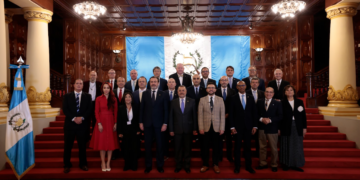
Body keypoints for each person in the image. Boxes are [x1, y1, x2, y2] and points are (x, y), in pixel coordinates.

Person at [140, 77, 169, 173]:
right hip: (147, 124)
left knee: (160, 146)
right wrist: (140, 122)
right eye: (151, 82)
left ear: (158, 83)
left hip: (159, 125)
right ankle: (148, 166)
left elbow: (166, 110)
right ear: (149, 83)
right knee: (147, 146)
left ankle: (160, 165)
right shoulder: (145, 93)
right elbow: (141, 109)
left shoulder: (164, 94)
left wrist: (165, 123)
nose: (153, 83)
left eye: (155, 82)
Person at [62, 79, 92, 173]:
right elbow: (65, 109)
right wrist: (74, 118)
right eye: (77, 83)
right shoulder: (67, 96)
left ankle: (83, 164)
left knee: (82, 146)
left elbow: (89, 109)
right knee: (68, 146)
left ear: (83, 86)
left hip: (82, 125)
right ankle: (67, 165)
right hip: (70, 125)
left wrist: (82, 118)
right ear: (74, 85)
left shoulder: (88, 96)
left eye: (80, 84)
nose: (79, 85)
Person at [229, 81, 258, 174]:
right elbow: (231, 114)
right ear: (237, 87)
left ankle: (248, 166)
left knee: (248, 147)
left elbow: (254, 112)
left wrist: (255, 126)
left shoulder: (250, 97)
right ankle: (237, 166)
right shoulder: (233, 98)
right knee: (237, 148)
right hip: (237, 128)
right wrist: (232, 127)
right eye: (239, 85)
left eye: (243, 85)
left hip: (249, 127)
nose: (241, 87)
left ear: (246, 86)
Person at [89, 83, 119, 172]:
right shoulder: (98, 98)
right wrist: (99, 123)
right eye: (104, 88)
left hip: (111, 122)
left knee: (110, 144)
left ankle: (108, 163)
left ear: (110, 89)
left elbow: (116, 112)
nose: (106, 89)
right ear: (102, 89)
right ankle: (102, 162)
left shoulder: (114, 99)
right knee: (102, 144)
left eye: (108, 88)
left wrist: (115, 123)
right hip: (101, 122)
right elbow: (96, 112)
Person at [169, 86, 197, 174]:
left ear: (186, 91)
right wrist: (171, 129)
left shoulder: (192, 101)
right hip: (177, 130)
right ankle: (178, 166)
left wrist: (195, 128)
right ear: (177, 92)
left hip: (188, 130)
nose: (181, 92)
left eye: (183, 90)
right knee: (177, 149)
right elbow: (170, 117)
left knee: (188, 149)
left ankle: (187, 166)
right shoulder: (173, 102)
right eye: (180, 90)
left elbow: (194, 117)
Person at [198, 83, 225, 174]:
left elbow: (222, 115)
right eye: (209, 87)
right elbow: (200, 115)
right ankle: (205, 164)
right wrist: (200, 127)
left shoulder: (220, 100)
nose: (211, 89)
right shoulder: (202, 100)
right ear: (206, 89)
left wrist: (222, 128)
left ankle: (215, 164)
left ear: (215, 89)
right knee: (205, 147)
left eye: (212, 88)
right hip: (205, 128)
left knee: (216, 147)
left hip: (217, 128)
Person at [280, 85, 307, 172]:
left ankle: (296, 164)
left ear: (294, 92)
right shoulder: (282, 102)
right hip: (285, 126)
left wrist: (304, 127)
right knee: (286, 145)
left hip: (297, 126)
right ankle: (287, 164)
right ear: (285, 92)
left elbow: (303, 116)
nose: (289, 92)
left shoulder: (299, 102)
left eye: (291, 90)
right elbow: (280, 117)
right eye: (287, 90)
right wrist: (279, 128)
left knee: (297, 146)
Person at [256, 87, 283, 172]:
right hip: (261, 127)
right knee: (262, 147)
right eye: (267, 92)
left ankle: (274, 164)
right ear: (264, 93)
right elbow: (255, 114)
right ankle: (262, 164)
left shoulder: (277, 103)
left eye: (271, 92)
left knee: (273, 148)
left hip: (272, 128)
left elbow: (280, 116)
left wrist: (270, 120)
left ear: (273, 94)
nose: (269, 94)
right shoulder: (259, 102)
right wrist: (261, 119)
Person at [117, 92, 141, 171]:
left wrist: (138, 130)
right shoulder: (120, 108)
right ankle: (127, 165)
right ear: (124, 99)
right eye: (126, 97)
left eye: (129, 97)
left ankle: (134, 165)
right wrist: (119, 132)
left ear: (131, 98)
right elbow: (119, 120)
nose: (128, 98)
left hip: (134, 130)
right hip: (124, 131)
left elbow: (138, 119)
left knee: (134, 149)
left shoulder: (136, 107)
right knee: (126, 149)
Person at [215, 76, 236, 162]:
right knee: (219, 139)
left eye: (225, 80)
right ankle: (219, 156)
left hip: (229, 118)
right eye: (222, 80)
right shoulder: (216, 91)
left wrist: (228, 114)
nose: (224, 82)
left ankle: (229, 156)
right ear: (220, 82)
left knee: (229, 139)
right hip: (218, 118)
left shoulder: (233, 91)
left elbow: (234, 105)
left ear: (228, 81)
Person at [112, 77, 131, 160]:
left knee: (125, 136)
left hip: (126, 116)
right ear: (117, 83)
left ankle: (125, 152)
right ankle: (115, 153)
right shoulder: (113, 92)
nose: (120, 82)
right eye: (119, 81)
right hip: (114, 115)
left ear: (125, 82)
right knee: (115, 136)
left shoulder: (128, 91)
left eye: (122, 81)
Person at [246, 77, 265, 156]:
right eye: (253, 82)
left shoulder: (263, 93)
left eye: (256, 82)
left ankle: (258, 154)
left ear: (258, 84)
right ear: (250, 84)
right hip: (249, 118)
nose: (254, 83)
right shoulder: (246, 93)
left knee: (259, 138)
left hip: (259, 118)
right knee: (248, 138)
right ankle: (247, 154)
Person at [163, 78, 178, 160]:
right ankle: (165, 154)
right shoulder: (163, 93)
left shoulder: (179, 92)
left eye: (173, 82)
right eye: (169, 82)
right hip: (165, 119)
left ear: (175, 84)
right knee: (165, 138)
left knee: (176, 138)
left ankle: (176, 155)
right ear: (167, 84)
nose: (171, 83)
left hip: (177, 119)